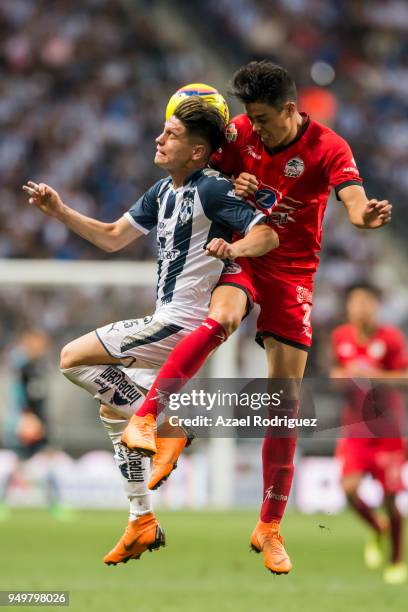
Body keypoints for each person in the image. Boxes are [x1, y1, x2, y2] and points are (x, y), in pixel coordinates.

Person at [123, 61, 392, 575]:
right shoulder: (240, 132)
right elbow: (200, 167)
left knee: (283, 399)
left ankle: (269, 525)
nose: (256, 128)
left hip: (292, 272)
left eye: (265, 118)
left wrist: (364, 217)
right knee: (222, 318)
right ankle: (147, 417)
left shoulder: (329, 148)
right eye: (251, 117)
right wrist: (228, 179)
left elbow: (353, 199)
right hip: (242, 251)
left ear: (292, 110)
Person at [22, 97, 278, 565]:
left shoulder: (215, 190)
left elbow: (268, 235)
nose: (159, 139)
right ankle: (141, 519)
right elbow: (112, 236)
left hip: (181, 324)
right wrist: (60, 211)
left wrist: (236, 248)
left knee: (71, 358)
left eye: (172, 135)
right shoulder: (161, 191)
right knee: (112, 412)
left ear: (198, 151)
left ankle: (169, 428)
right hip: (167, 323)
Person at [332, 283, 407, 585]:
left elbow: (404, 377)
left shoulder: (390, 338)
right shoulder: (340, 337)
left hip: (388, 430)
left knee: (391, 499)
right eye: (355, 302)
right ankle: (378, 528)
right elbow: (337, 373)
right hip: (355, 429)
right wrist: (341, 376)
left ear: (376, 306)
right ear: (349, 307)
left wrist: (370, 374)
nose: (361, 307)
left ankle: (396, 560)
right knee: (349, 490)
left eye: (366, 302)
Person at [0, 329, 71, 520]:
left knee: (48, 462)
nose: (41, 346)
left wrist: (46, 420)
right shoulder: (21, 367)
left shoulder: (41, 366)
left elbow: (42, 398)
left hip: (42, 422)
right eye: (38, 342)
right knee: (21, 463)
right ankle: (3, 502)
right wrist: (24, 418)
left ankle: (54, 504)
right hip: (28, 422)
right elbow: (17, 395)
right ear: (28, 342)